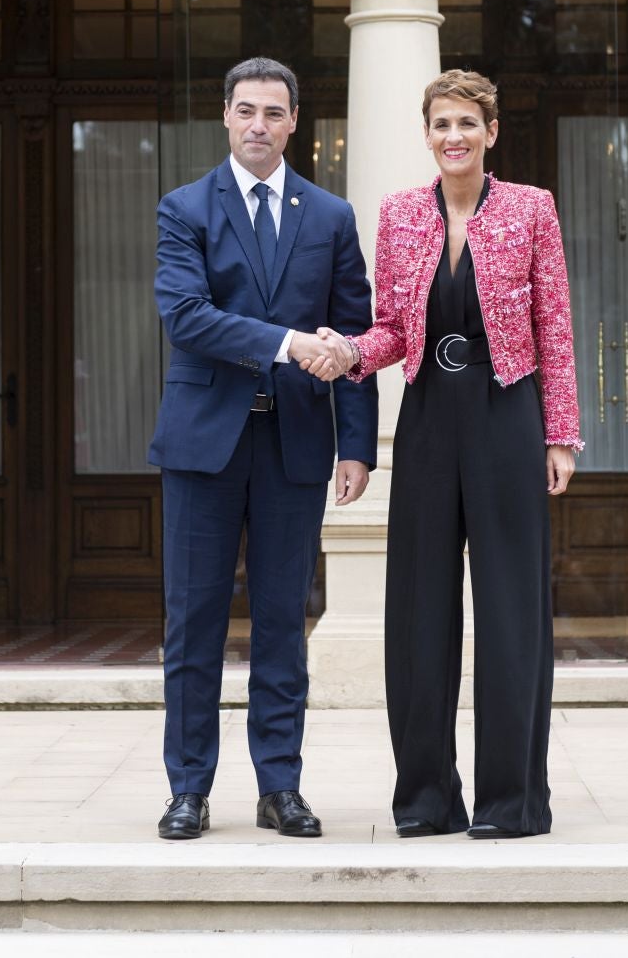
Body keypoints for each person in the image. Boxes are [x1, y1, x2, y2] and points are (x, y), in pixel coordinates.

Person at [334, 68, 581, 840]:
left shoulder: (532, 208)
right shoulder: (400, 213)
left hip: (507, 410)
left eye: (467, 123)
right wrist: (344, 352)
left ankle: (512, 802)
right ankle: (428, 797)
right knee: (418, 608)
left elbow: (556, 327)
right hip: (430, 416)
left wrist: (560, 434)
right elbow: (392, 330)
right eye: (442, 123)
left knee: (510, 610)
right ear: (427, 132)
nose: (454, 136)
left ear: (491, 132)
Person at [148, 55, 376, 840]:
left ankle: (281, 786)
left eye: (273, 113)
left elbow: (350, 334)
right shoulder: (184, 209)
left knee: (283, 621)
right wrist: (284, 342)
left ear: (294, 122)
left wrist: (358, 444)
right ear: (225, 116)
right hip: (202, 447)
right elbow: (186, 315)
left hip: (296, 448)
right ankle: (189, 787)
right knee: (195, 622)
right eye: (245, 110)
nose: (258, 125)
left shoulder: (331, 217)